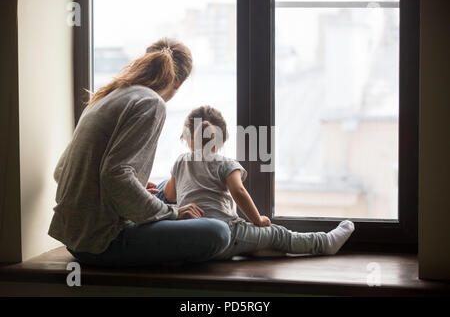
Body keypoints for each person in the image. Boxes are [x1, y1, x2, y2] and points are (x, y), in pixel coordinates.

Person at [48, 38, 231, 267]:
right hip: (102, 242)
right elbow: (115, 175)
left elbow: (61, 171)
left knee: (164, 187)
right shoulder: (151, 102)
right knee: (219, 231)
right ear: (181, 82)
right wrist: (173, 214)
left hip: (75, 239)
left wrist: (130, 191)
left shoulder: (106, 96)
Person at [155, 106, 355, 260]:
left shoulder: (180, 162)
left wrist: (155, 188)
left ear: (187, 138)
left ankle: (261, 249)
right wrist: (258, 220)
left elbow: (171, 195)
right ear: (221, 140)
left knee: (255, 239)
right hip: (226, 235)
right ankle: (325, 243)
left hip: (191, 239)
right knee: (278, 234)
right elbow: (239, 191)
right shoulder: (225, 163)